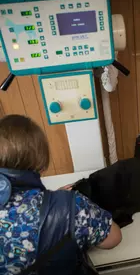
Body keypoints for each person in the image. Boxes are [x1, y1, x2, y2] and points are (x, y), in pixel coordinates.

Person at [0, 115, 122, 275]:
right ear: (39, 158)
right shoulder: (71, 206)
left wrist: (50, 201)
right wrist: (63, 205)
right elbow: (113, 238)